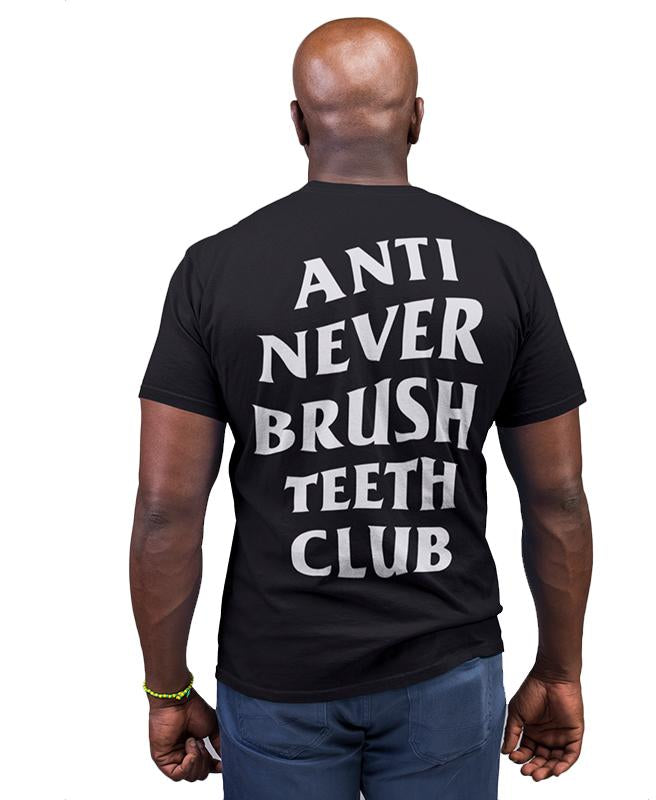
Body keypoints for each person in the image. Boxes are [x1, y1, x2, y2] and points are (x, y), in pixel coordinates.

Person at [130, 16, 592, 799]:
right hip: (448, 669)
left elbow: (165, 510)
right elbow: (559, 497)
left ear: (298, 122)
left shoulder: (215, 269)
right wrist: (560, 669)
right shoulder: (503, 260)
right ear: (417, 118)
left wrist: (167, 690)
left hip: (278, 672)